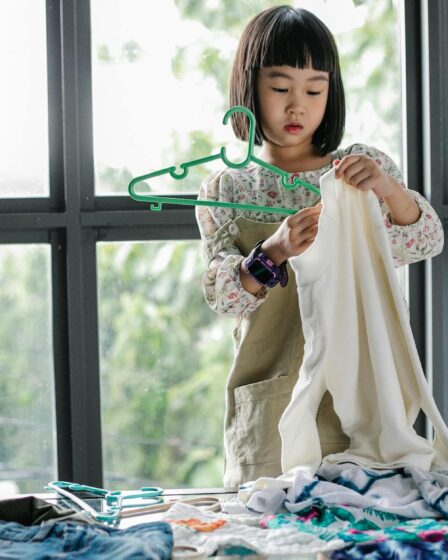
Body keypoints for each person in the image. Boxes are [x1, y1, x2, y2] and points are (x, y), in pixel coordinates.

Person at [195, 5, 444, 488]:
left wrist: (388, 192)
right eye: (280, 87)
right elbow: (224, 297)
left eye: (314, 89)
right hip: (272, 398)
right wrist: (274, 250)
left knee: (367, 524)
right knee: (274, 528)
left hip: (364, 394)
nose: (297, 106)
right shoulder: (225, 189)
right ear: (249, 88)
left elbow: (425, 240)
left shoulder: (359, 169)